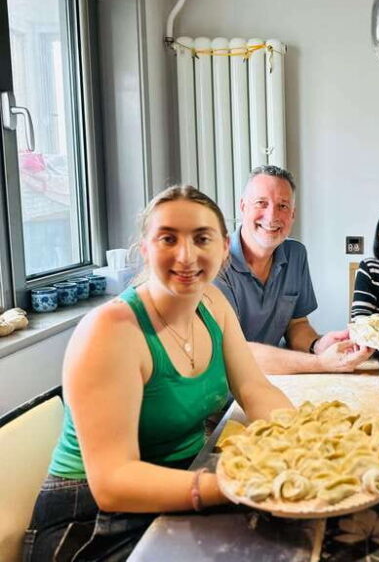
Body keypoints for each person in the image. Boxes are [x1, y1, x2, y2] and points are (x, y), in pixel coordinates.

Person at [24, 186, 294, 560]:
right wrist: (235, 487)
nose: (186, 255)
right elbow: (113, 484)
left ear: (223, 248)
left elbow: (254, 388)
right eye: (168, 238)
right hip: (88, 519)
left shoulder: (213, 304)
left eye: (202, 238)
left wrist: (301, 442)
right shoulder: (111, 331)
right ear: (145, 249)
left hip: (178, 482)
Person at [214, 165, 372, 374]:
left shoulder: (296, 254)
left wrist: (317, 345)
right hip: (223, 387)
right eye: (261, 203)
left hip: (278, 376)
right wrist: (321, 363)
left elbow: (296, 324)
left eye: (282, 206)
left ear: (293, 214)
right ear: (243, 206)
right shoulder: (215, 261)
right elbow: (232, 352)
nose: (272, 216)